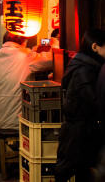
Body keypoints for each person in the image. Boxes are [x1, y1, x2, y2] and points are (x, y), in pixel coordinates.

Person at [0, 32, 53, 173]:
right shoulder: (26, 56)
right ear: (22, 41)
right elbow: (49, 61)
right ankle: (29, 162)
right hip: (18, 119)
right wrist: (54, 45)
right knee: (42, 117)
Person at [56, 29, 105, 182]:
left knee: (81, 170)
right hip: (78, 131)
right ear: (95, 47)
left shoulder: (86, 66)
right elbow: (96, 101)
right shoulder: (84, 70)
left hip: (81, 128)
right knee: (67, 170)